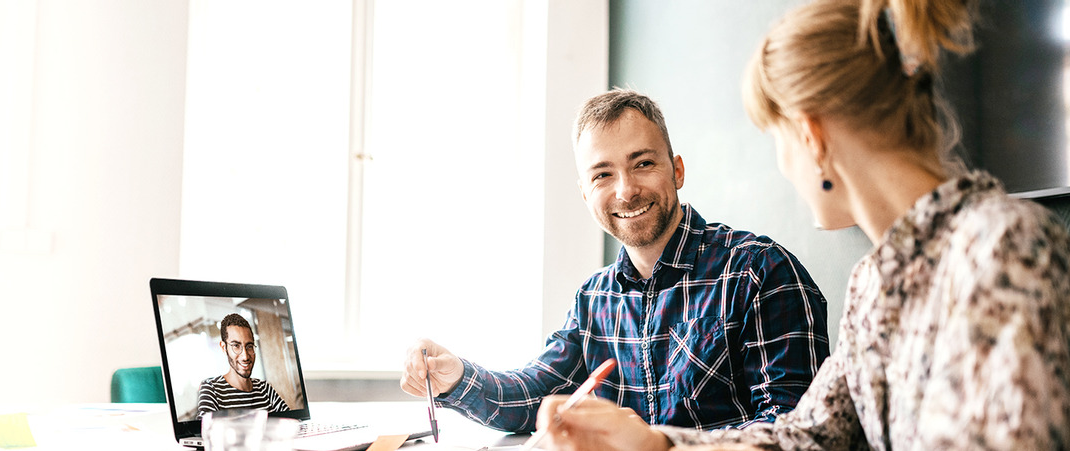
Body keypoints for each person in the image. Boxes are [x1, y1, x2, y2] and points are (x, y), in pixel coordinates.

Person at [533, 0, 1070, 449]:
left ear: (810, 137)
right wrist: (658, 443)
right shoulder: (874, 284)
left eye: (778, 139)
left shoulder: (1005, 245)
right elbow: (809, 436)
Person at [399, 89, 831, 432]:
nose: (625, 190)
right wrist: (457, 377)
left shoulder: (760, 271)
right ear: (585, 192)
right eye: (602, 174)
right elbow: (533, 397)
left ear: (677, 170)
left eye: (642, 163)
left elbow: (793, 429)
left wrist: (658, 446)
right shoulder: (593, 300)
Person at [197, 313, 289, 418]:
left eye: (249, 346)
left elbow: (292, 421)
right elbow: (205, 428)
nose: (245, 356)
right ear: (224, 347)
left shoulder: (265, 389)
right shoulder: (211, 390)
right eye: (236, 346)